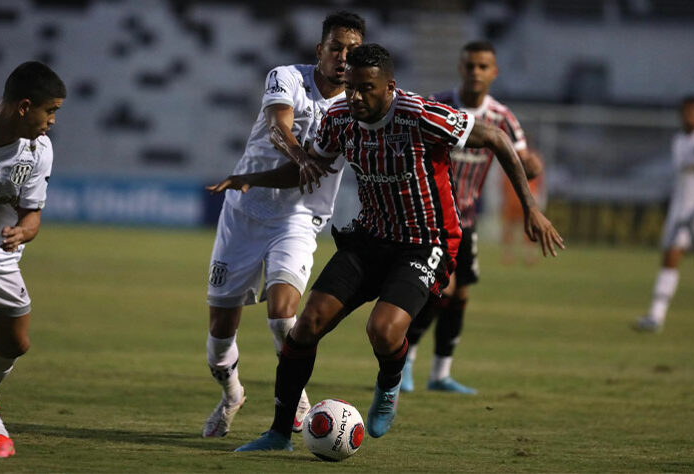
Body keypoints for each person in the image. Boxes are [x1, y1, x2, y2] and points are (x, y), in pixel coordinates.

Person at [218, 43, 563, 452]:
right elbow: (305, 167)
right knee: (306, 324)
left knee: (382, 330)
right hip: (369, 239)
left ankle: (389, 385)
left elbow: (496, 139)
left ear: (390, 87)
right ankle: (278, 434)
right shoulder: (339, 119)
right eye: (350, 88)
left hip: (425, 243)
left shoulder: (421, 115)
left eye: (367, 89)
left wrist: (531, 209)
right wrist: (250, 178)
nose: (356, 97)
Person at [200, 11, 365, 438]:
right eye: (336, 48)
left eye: (352, 51)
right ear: (320, 51)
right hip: (245, 211)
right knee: (220, 336)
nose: (343, 58)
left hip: (299, 217)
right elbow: (278, 126)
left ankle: (296, 399)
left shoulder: (355, 108)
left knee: (281, 314)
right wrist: (300, 155)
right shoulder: (287, 76)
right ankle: (232, 394)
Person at [401, 41, 543, 395]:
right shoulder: (436, 105)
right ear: (460, 68)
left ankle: (440, 374)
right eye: (470, 65)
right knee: (439, 291)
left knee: (460, 294)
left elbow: (523, 157)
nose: (476, 72)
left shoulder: (502, 118)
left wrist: (531, 165)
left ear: (494, 72)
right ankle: (405, 363)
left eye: (483, 66)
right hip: (431, 220)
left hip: (466, 221)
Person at [0, 61, 66, 458]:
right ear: (25, 106)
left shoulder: (39, 149)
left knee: (14, 344)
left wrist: (25, 231)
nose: (53, 121)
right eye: (51, 111)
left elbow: (33, 214)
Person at [635, 95, 694, 335]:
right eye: (684, 113)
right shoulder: (678, 141)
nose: (688, 117)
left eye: (692, 112)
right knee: (669, 259)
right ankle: (656, 316)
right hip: (679, 211)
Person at [501, 150, 546, 266]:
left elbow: (539, 182)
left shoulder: (511, 159)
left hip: (523, 200)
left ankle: (521, 255)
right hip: (519, 199)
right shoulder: (531, 160)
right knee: (512, 229)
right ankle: (513, 255)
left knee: (523, 230)